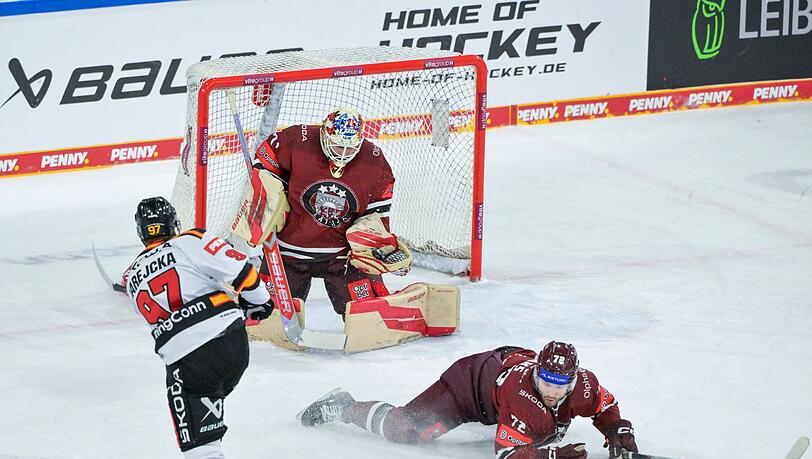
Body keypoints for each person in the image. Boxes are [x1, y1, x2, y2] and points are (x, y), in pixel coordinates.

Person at [298, 341, 638, 459]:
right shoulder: (522, 394)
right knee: (405, 430)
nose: (550, 389)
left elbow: (605, 408)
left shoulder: (585, 386)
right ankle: (344, 406)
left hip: (502, 366)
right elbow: (507, 454)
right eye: (544, 380)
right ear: (536, 374)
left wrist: (618, 429)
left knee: (541, 430)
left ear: (574, 379)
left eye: (559, 383)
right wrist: (552, 455)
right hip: (468, 387)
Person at [124, 196, 275, 458]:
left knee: (202, 449)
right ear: (173, 223)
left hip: (187, 360)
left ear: (141, 233)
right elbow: (242, 270)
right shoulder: (189, 240)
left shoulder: (132, 278)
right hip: (231, 344)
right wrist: (259, 302)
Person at [249, 107, 412, 316]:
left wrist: (377, 242)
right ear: (325, 136)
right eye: (337, 146)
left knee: (365, 315)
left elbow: (378, 211)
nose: (343, 154)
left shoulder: (373, 161)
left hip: (342, 256)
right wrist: (266, 197)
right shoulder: (298, 142)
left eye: (350, 149)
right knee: (268, 314)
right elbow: (266, 157)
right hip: (288, 252)